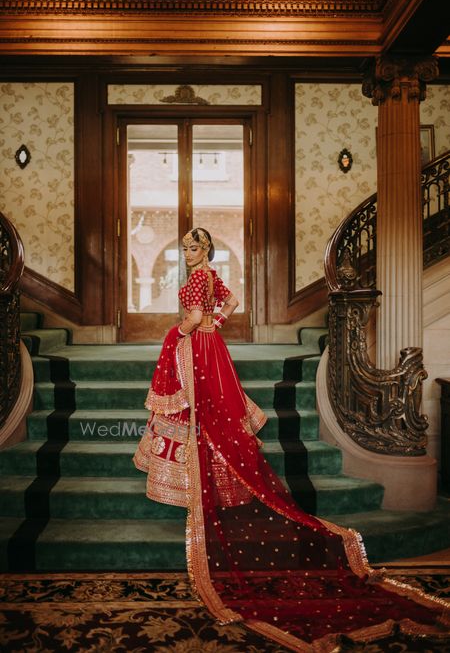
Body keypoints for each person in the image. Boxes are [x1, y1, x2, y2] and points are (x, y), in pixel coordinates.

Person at [134, 227, 450, 652]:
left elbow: (192, 319)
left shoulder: (194, 280)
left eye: (193, 247)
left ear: (204, 249)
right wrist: (215, 325)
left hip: (197, 350)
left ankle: (203, 478)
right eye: (186, 247)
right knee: (217, 416)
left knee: (201, 415)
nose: (188, 252)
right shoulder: (210, 277)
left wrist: (183, 333)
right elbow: (231, 302)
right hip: (215, 348)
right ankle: (217, 475)